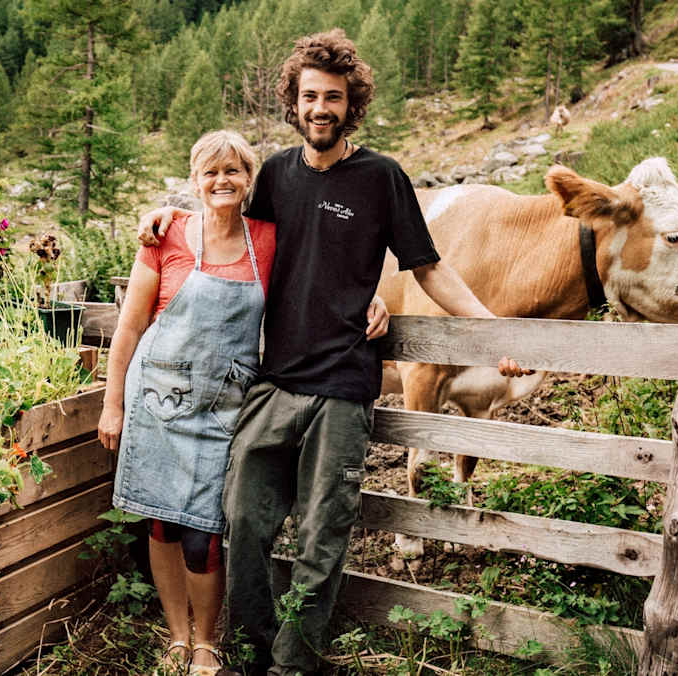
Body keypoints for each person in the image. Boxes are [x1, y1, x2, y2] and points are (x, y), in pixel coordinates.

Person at [137, 31, 529, 676]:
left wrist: (496, 332)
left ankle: (294, 662)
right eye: (310, 95)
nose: (321, 107)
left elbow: (428, 269)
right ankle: (259, 645)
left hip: (344, 389)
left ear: (353, 105)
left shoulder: (381, 177)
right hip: (274, 383)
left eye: (334, 98)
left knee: (323, 539)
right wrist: (167, 215)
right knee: (243, 524)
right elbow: (223, 222)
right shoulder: (275, 179)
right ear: (294, 102)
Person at [99, 129, 391, 676]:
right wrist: (112, 403)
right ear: (194, 181)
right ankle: (177, 638)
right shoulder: (165, 237)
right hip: (158, 401)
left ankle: (207, 643)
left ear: (249, 179)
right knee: (161, 523)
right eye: (210, 172)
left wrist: (367, 296)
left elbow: (320, 275)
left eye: (233, 170)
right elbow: (131, 324)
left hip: (224, 407)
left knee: (205, 529)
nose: (222, 181)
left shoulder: (267, 238)